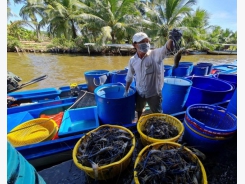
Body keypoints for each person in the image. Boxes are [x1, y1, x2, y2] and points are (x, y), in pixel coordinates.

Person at [123, 29, 182, 121]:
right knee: (139, 109)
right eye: (142, 42)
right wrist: (126, 90)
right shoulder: (132, 60)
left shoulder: (155, 54)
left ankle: (158, 124)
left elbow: (166, 48)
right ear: (134, 44)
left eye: (147, 41)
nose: (146, 44)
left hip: (154, 93)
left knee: (157, 113)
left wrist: (172, 40)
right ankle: (138, 121)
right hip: (140, 92)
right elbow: (129, 76)